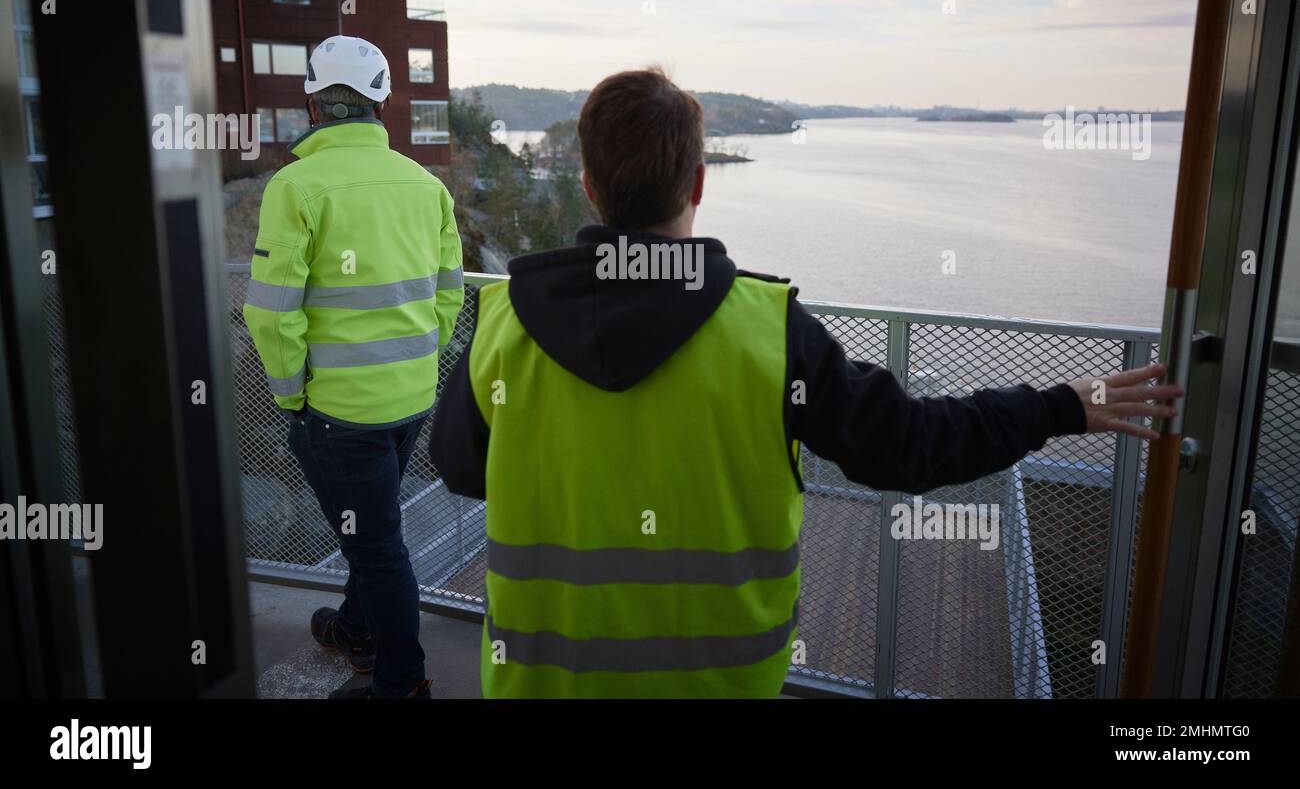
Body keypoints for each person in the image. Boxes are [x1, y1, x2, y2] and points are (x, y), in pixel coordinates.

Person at [428, 66, 1182, 698]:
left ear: (588, 186)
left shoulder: (503, 322)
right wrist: (1062, 405)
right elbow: (909, 448)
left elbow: (461, 468)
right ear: (698, 180)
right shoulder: (768, 331)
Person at [243, 35, 464, 699]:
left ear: (313, 103)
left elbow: (271, 313)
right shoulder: (426, 186)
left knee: (376, 544)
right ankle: (356, 627)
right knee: (368, 524)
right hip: (409, 398)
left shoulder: (296, 185)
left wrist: (293, 397)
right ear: (383, 102)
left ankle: (401, 682)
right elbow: (450, 292)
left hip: (337, 410)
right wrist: (419, 361)